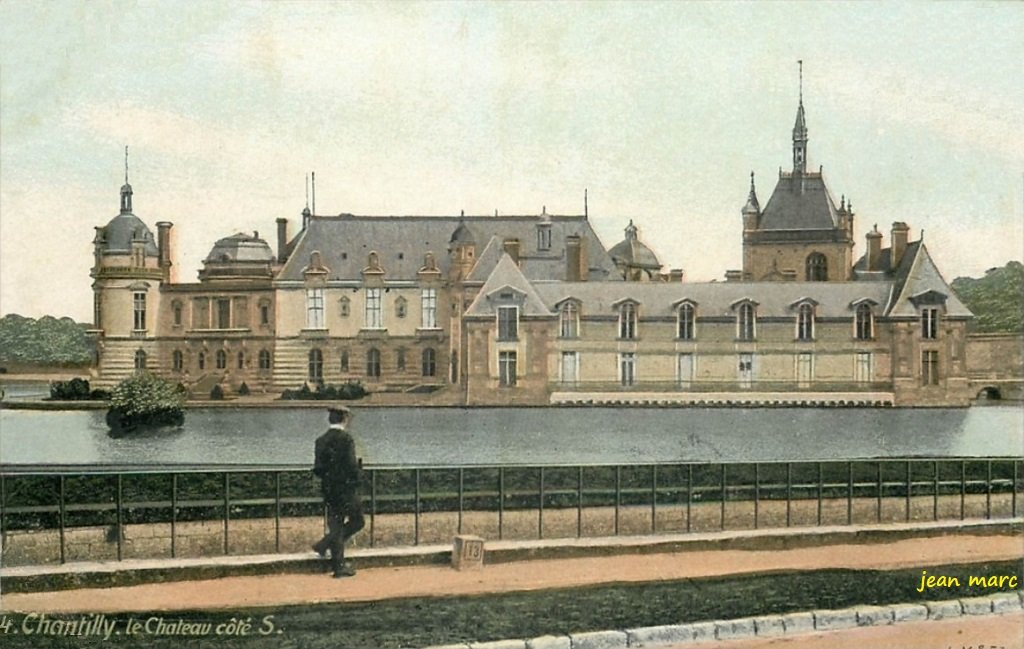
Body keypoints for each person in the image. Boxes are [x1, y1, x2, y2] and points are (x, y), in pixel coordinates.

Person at [312, 405, 365, 577]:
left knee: (336, 524)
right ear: (345, 419)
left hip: (329, 490)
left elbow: (318, 469)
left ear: (330, 419)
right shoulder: (346, 439)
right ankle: (328, 550)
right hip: (347, 490)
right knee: (358, 521)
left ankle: (332, 556)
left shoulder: (320, 440)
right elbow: (351, 466)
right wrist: (358, 478)